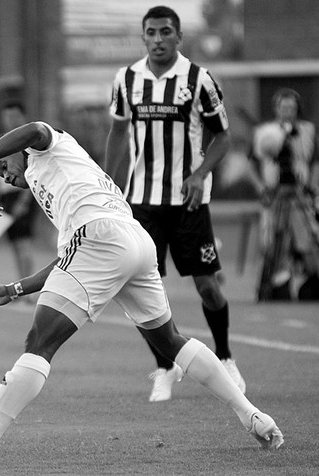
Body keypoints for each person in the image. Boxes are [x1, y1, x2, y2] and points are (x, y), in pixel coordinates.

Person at [0, 121, 284, 461]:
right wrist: (15, 289)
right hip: (132, 242)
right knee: (169, 339)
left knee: (40, 342)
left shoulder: (48, 149)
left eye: (2, 166)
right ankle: (253, 416)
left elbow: (34, 130)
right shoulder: (57, 190)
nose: (4, 174)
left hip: (103, 239)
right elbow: (70, 259)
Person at [104, 5, 245, 402]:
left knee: (207, 287)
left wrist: (199, 174)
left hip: (188, 202)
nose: (159, 39)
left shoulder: (199, 80)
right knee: (141, 289)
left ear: (179, 37)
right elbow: (117, 132)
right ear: (143, 37)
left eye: (166, 32)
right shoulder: (127, 79)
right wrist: (108, 183)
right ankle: (166, 366)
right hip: (142, 204)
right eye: (151, 32)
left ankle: (227, 357)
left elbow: (223, 138)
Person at [251, 88, 319, 300]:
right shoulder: (265, 132)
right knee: (273, 240)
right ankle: (275, 282)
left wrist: (313, 186)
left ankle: (312, 279)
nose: (288, 111)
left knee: (307, 238)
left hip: (300, 193)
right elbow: (252, 162)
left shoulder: (308, 131)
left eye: (292, 107)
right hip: (274, 194)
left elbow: (314, 161)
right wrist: (261, 187)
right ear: (276, 109)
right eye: (283, 107)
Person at [0, 100, 39, 279]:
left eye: (15, 116)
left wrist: (24, 201)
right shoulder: (3, 140)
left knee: (23, 243)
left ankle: (27, 286)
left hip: (21, 194)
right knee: (14, 244)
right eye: (7, 116)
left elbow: (34, 172)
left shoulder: (29, 141)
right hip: (6, 196)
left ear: (23, 117)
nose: (11, 120)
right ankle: (20, 282)